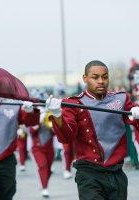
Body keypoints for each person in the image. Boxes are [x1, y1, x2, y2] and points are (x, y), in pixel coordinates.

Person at [46, 60, 139, 200]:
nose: (101, 81)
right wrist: (57, 115)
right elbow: (66, 138)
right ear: (85, 78)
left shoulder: (121, 99)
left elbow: (134, 122)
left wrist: (136, 114)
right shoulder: (74, 103)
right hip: (89, 174)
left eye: (105, 77)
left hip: (116, 172)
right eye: (95, 77)